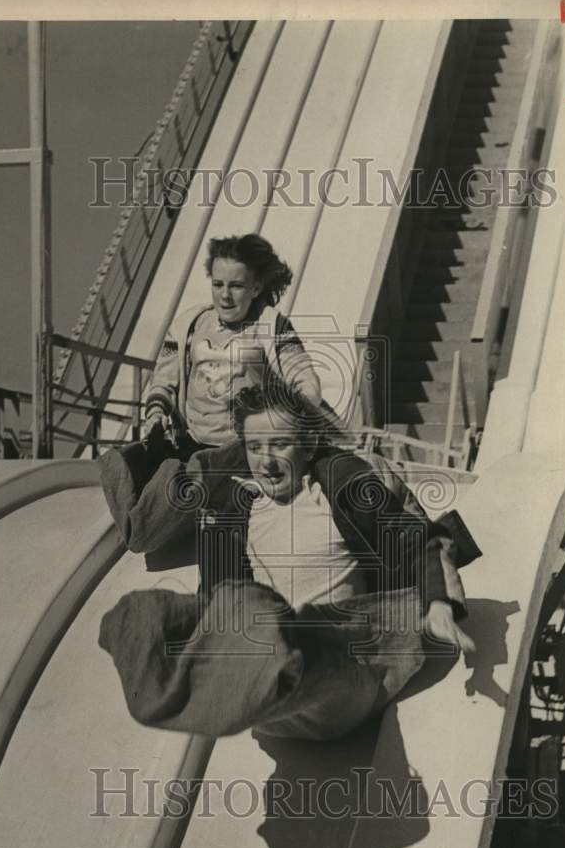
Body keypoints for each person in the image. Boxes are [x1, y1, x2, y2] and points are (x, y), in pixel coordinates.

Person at [99, 378, 480, 741]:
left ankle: (239, 673)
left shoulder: (340, 489)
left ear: (309, 444)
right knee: (137, 613)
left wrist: (437, 604)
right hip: (271, 686)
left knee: (261, 614)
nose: (265, 462)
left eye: (280, 444)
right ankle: (191, 688)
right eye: (254, 447)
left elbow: (417, 540)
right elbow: (216, 596)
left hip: (348, 665)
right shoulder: (238, 511)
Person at [99, 233, 322, 562]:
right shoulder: (190, 323)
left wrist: (298, 410)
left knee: (200, 469)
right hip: (190, 439)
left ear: (256, 288)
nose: (225, 296)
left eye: (236, 286)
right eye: (218, 285)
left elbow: (301, 374)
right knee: (117, 462)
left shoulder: (271, 325)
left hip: (239, 447)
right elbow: (164, 378)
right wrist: (156, 415)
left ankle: (176, 492)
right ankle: (148, 517)